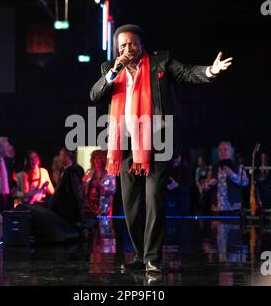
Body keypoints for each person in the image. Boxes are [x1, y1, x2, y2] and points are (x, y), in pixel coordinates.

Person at [89, 24, 232, 273]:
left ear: (142, 44)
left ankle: (153, 257)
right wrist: (114, 71)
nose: (127, 48)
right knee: (131, 205)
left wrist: (211, 70)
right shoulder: (110, 68)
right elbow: (95, 95)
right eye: (122, 45)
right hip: (124, 146)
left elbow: (187, 73)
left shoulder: (160, 62)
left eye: (132, 43)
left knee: (154, 199)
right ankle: (140, 255)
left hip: (157, 143)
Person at [202, 141, 249, 214]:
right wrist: (209, 184)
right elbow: (204, 187)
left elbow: (245, 183)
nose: (222, 152)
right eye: (220, 150)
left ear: (230, 152)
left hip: (233, 209)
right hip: (216, 209)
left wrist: (232, 175)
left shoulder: (238, 166)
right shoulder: (212, 168)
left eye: (225, 149)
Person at [49, 148, 85, 228]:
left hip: (70, 209)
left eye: (61, 155)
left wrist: (51, 204)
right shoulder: (65, 170)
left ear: (67, 156)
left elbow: (69, 190)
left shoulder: (73, 171)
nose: (59, 157)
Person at [81, 150, 116, 220]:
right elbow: (82, 188)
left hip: (104, 207)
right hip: (90, 207)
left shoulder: (110, 174)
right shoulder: (89, 173)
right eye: (95, 158)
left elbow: (112, 191)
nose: (97, 160)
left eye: (100, 158)